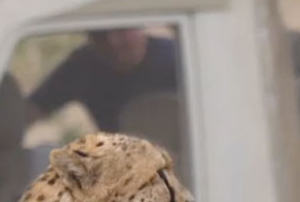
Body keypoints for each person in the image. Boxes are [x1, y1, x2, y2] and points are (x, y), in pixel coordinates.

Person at [24, 27, 182, 132]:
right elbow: (29, 112)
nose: (112, 41)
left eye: (121, 30)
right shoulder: (82, 66)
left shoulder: (179, 59)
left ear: (140, 27)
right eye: (99, 34)